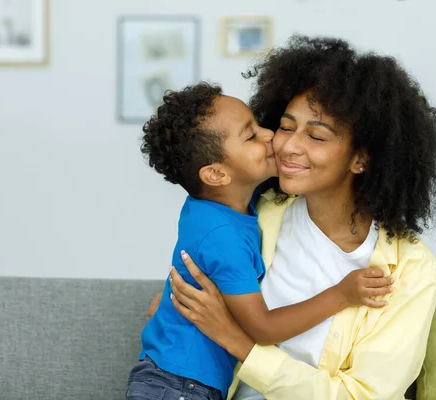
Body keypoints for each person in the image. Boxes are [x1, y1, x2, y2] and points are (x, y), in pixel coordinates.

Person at [160, 35, 436, 400]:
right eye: (285, 126)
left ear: (360, 158)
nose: (287, 146)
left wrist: (236, 341)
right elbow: (183, 296)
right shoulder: (253, 214)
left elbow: (361, 397)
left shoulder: (410, 267)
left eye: (315, 136)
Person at [128, 82, 395, 400]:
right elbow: (263, 328)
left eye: (261, 124)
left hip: (173, 378)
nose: (270, 135)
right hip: (178, 387)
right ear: (216, 175)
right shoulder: (225, 240)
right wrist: (341, 294)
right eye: (251, 135)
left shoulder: (222, 202)